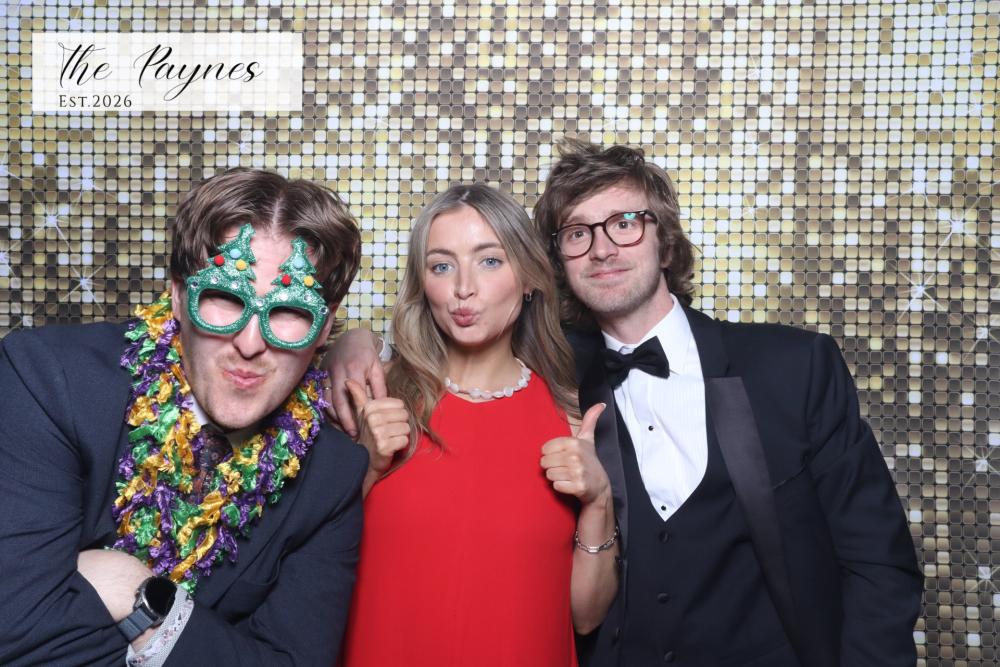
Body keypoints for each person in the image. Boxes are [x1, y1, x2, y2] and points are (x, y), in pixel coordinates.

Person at [326, 141, 923, 666]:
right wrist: (351, 344)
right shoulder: (563, 379)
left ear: (666, 241)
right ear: (555, 261)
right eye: (578, 233)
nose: (603, 248)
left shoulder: (791, 368)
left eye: (626, 223)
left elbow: (877, 561)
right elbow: (450, 354)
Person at [0, 168, 368, 666]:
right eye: (225, 298)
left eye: (288, 311)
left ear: (323, 328)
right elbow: (14, 636)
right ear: (178, 296)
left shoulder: (332, 474)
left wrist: (142, 600)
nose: (250, 344)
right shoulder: (49, 381)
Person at [338, 184, 619, 667]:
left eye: (489, 261)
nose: (463, 287)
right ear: (422, 284)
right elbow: (304, 568)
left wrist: (599, 500)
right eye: (441, 266)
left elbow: (587, 618)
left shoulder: (572, 422)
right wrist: (362, 465)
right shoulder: (373, 399)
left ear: (529, 277)